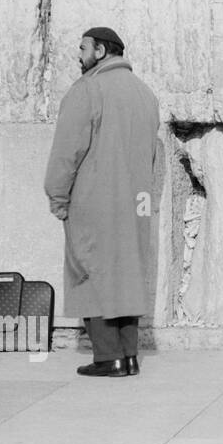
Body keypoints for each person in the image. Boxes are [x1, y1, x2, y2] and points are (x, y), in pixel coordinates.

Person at [44, 27, 164, 378]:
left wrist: (57, 196)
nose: (78, 55)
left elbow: (66, 151)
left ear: (99, 50)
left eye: (82, 48)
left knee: (91, 272)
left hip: (93, 201)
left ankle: (107, 357)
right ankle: (128, 357)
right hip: (135, 202)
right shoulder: (145, 94)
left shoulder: (88, 90)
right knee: (126, 273)